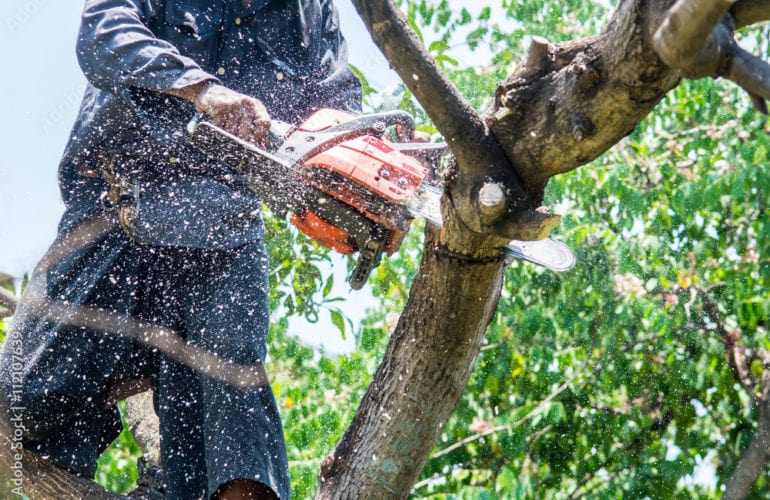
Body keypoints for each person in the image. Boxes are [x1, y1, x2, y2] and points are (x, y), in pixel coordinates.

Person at [0, 0, 361, 498]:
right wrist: (201, 89)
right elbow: (103, 32)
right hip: (118, 205)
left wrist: (366, 176)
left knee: (234, 404)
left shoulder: (310, 11)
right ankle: (124, 373)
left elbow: (339, 110)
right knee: (20, 404)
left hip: (224, 226)